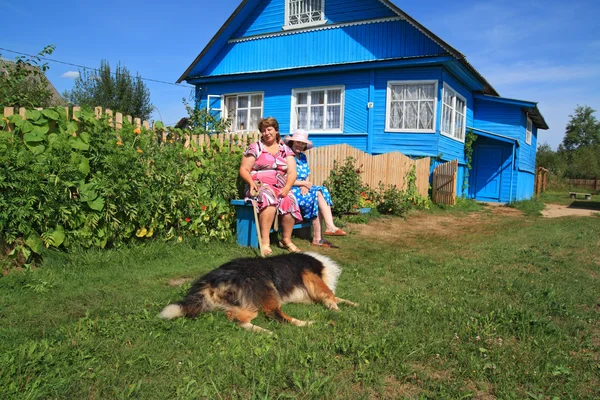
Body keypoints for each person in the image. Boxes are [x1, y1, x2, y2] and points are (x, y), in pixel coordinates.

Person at [239, 117, 303, 255]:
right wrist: (250, 182)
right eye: (263, 130)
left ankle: (286, 240)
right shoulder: (255, 147)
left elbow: (292, 172)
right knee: (268, 198)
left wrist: (287, 187)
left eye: (269, 129)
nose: (266, 133)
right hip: (258, 186)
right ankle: (265, 242)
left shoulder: (285, 149)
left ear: (276, 130)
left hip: (280, 186)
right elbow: (244, 170)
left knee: (290, 200)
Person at [284, 129, 347, 248]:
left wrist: (305, 184)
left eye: (302, 143)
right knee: (317, 194)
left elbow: (306, 175)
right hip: (290, 190)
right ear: (292, 142)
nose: (300, 145)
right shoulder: (287, 156)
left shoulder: (302, 157)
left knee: (321, 191)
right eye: (298, 142)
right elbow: (285, 179)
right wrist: (303, 184)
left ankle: (321, 236)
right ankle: (326, 230)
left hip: (303, 188)